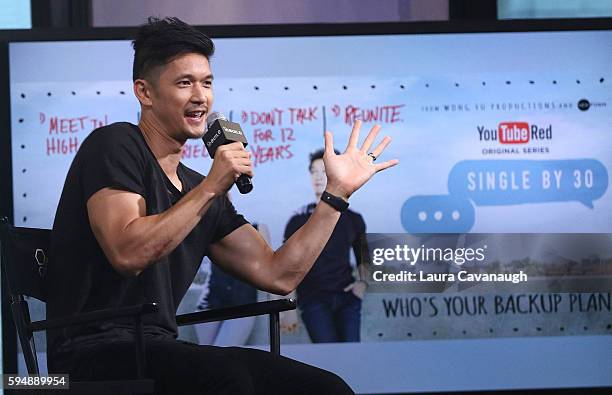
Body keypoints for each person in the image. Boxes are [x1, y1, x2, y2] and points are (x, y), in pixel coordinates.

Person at [46, 16, 397, 395]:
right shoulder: (115, 144)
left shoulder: (200, 188)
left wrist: (336, 196)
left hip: (159, 348)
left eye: (207, 83)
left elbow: (279, 275)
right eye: (184, 83)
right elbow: (128, 252)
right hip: (90, 355)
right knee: (230, 378)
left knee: (324, 387)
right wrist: (214, 186)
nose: (201, 96)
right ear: (145, 93)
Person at [284, 149, 370, 343]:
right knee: (327, 360)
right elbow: (286, 266)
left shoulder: (353, 219)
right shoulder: (298, 219)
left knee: (351, 355)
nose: (318, 177)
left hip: (347, 298)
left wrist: (362, 284)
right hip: (313, 300)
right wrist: (288, 308)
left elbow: (364, 257)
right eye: (314, 172)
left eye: (324, 171)